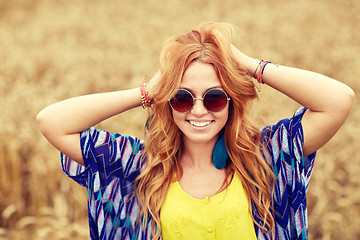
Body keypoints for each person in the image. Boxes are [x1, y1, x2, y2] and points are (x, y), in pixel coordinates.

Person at [36, 22, 354, 240]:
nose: (198, 110)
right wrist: (148, 92)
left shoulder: (267, 156)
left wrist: (246, 64)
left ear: (231, 102)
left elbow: (339, 100)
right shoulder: (139, 165)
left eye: (214, 97)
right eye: (181, 97)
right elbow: (52, 122)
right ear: (167, 101)